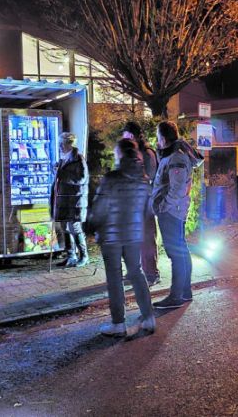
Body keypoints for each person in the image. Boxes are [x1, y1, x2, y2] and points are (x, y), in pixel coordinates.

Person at [89, 139, 155, 336]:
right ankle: (149, 317)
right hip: (134, 235)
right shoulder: (144, 179)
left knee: (114, 277)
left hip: (111, 235)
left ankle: (118, 323)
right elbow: (148, 210)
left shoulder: (111, 178)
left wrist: (91, 225)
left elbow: (99, 208)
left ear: (119, 154)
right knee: (136, 272)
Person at [150, 121, 204, 309]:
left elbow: (178, 187)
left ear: (163, 138)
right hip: (174, 210)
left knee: (176, 253)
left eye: (158, 136)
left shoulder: (176, 157)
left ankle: (176, 296)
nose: (157, 140)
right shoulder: (173, 155)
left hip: (172, 212)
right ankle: (184, 292)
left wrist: (164, 206)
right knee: (181, 250)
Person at [121, 121, 161, 286]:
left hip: (144, 202)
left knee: (146, 239)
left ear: (131, 135)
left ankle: (151, 274)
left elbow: (149, 176)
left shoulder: (147, 153)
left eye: (125, 135)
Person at [52, 132, 90, 267]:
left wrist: (61, 173)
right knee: (65, 227)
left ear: (69, 144)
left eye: (61, 144)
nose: (59, 146)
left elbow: (81, 179)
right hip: (64, 199)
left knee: (75, 227)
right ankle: (71, 256)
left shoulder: (78, 158)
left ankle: (84, 256)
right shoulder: (64, 158)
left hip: (75, 201)